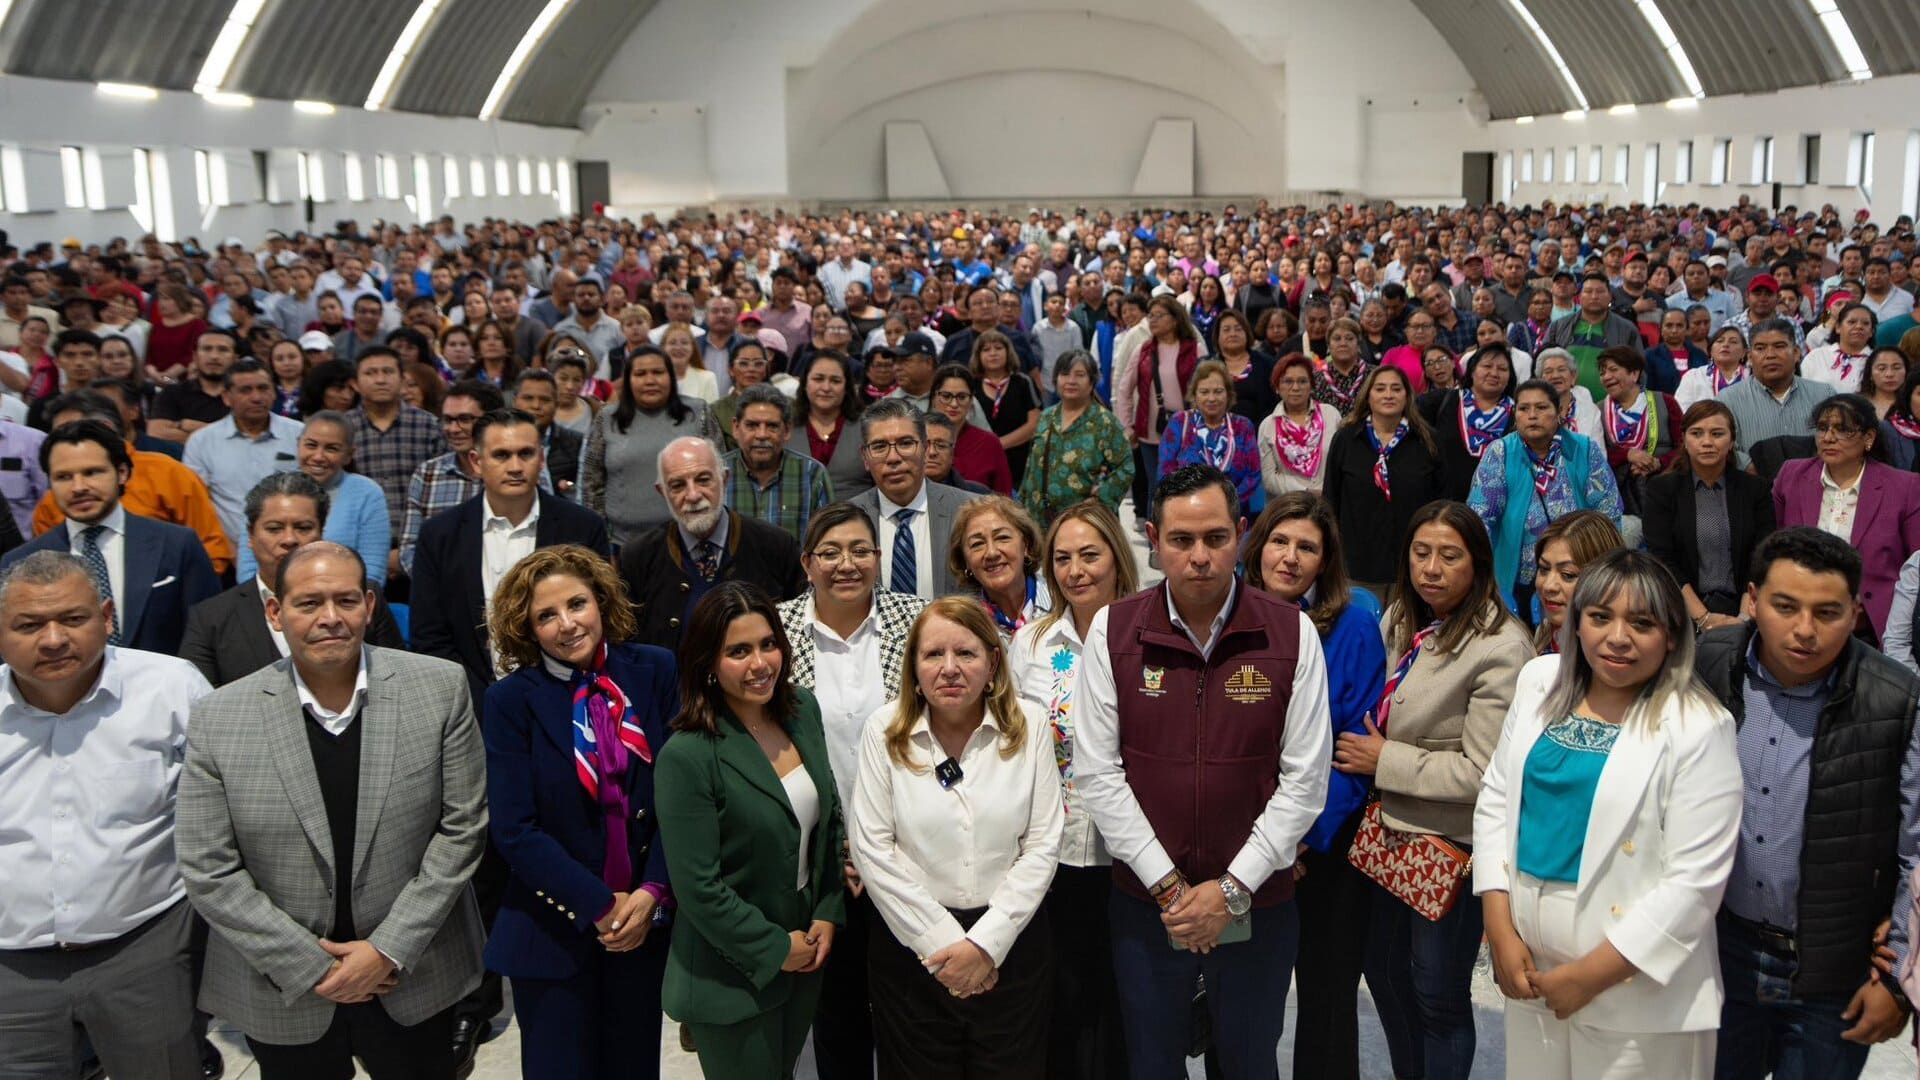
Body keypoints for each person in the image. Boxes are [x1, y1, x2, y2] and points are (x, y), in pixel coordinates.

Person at [177, 542, 488, 1080]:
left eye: (345, 600)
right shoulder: (219, 717)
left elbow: (462, 829)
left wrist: (387, 950)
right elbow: (208, 866)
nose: (329, 618)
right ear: (275, 612)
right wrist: (311, 965)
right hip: (283, 985)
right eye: (308, 603)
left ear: (370, 605)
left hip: (413, 973)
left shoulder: (439, 688)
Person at [1068, 464, 1329, 1080]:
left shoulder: (1291, 632)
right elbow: (1099, 773)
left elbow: (1305, 781)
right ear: (1154, 540)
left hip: (1258, 904)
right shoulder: (1115, 629)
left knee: (1248, 1062)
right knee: (1153, 1063)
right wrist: (1172, 890)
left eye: (1215, 538)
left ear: (1240, 534)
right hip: (1149, 905)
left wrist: (1230, 891)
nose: (1199, 557)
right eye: (1181, 541)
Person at [1474, 549, 1742, 1080]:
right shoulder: (1538, 683)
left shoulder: (1699, 726)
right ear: (1576, 625)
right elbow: (1497, 799)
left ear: (1671, 636)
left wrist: (1589, 976)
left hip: (1639, 988)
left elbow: (1694, 883)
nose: (1617, 638)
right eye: (1600, 618)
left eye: (1641, 624)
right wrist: (1499, 926)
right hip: (1531, 971)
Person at [1694, 528, 1920, 1080]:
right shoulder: (1707, 664)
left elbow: (1917, 845)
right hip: (1719, 954)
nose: (1804, 630)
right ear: (1752, 598)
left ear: (1855, 612)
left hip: (1836, 972)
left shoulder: (1897, 698)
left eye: (1828, 612)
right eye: (1785, 606)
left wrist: (1898, 977)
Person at [0, 550, 214, 1080]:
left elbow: (229, 815)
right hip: (9, 971)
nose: (53, 640)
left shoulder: (171, 688)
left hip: (145, 952)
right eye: (28, 625)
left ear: (108, 617)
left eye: (73, 619)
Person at [1344, 500, 1532, 1080]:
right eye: (1421, 553)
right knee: (1385, 975)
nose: (1431, 568)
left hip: (1448, 850)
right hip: (1388, 839)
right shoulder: (1405, 615)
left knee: (1438, 996)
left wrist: (1385, 760)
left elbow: (1484, 772)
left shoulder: (1501, 647)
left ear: (1477, 563)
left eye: (1449, 556)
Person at [480, 545, 677, 1080]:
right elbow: (515, 829)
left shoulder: (654, 670)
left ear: (602, 601)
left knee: (634, 1068)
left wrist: (653, 892)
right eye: (546, 615)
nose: (567, 624)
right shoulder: (509, 701)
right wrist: (598, 905)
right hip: (552, 930)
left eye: (576, 604)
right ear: (527, 628)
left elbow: (682, 801)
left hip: (643, 925)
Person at [849, 596, 1065, 1079]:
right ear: (914, 666)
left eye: (965, 654)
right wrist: (947, 947)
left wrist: (985, 945)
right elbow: (872, 850)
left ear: (993, 663)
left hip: (1012, 949)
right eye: (933, 655)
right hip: (911, 954)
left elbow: (1043, 843)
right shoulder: (883, 731)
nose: (949, 669)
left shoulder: (1029, 725)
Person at [655, 582, 846, 1079]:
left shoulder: (802, 710)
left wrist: (827, 910)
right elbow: (698, 887)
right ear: (707, 664)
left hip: (804, 953)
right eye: (738, 651)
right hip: (730, 975)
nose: (760, 663)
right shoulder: (687, 756)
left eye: (767, 644)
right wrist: (774, 948)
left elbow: (827, 824)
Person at [1238, 492, 1387, 1080]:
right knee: (1247, 1003)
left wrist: (1300, 837)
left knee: (1325, 1002)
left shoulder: (1352, 623)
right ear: (1258, 546)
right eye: (1280, 541)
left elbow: (1352, 747)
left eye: (1308, 547)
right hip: (1246, 848)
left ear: (1325, 562)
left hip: (1324, 846)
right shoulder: (1230, 616)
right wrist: (1263, 841)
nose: (1291, 557)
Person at [776, 502, 928, 1079]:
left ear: (880, 557)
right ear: (807, 563)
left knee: (909, 1010)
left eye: (861, 550)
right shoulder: (777, 630)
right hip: (819, 859)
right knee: (836, 1016)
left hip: (909, 850)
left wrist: (876, 845)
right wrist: (841, 847)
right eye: (831, 553)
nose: (848, 564)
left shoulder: (917, 621)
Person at [1002, 500, 1137, 1080]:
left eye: (1089, 555)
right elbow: (1011, 741)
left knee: (1123, 1002)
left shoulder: (1149, 634)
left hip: (1129, 853)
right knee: (1061, 1000)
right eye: (1062, 558)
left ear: (1116, 557)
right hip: (1051, 851)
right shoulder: (1032, 643)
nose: (1075, 570)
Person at [411, 408, 612, 712]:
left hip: (568, 699)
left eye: (526, 454)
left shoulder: (582, 527)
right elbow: (429, 636)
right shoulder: (439, 535)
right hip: (470, 705)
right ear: (476, 462)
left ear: (541, 458)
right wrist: (481, 702)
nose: (516, 466)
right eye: (502, 455)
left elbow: (602, 617)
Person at [3, 418, 218, 653]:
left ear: (122, 473)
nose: (78, 487)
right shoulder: (19, 562)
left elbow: (210, 635)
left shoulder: (177, 545)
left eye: (92, 472)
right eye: (64, 477)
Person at [180, 472, 401, 686]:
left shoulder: (360, 596)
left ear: (321, 532)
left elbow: (396, 678)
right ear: (250, 536)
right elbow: (204, 707)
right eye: (274, 529)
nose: (289, 539)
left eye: (303, 528)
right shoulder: (211, 618)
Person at [618, 436, 803, 651]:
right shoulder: (638, 557)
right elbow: (628, 645)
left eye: (704, 480)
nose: (693, 495)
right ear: (662, 492)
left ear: (724, 479)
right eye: (678, 486)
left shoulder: (775, 545)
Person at [29, 389, 234, 576]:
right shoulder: (52, 503)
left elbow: (212, 551)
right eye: (58, 434)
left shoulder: (169, 473)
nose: (79, 487)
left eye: (73, 432)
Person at [1771, 392, 1920, 641]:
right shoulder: (1792, 475)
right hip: (1798, 618)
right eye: (1822, 428)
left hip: (1872, 626)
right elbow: (1772, 545)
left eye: (1843, 430)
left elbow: (1916, 566)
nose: (1829, 438)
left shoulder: (1904, 487)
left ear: (1869, 438)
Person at [1469, 379, 1624, 614]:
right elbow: (1480, 518)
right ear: (1515, 414)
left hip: (1578, 575)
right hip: (1517, 577)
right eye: (1524, 408)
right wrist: (1482, 579)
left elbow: (1608, 512)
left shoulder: (1584, 449)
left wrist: (1604, 572)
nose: (1532, 415)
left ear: (1559, 412)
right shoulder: (1500, 452)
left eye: (1541, 408)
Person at [1643, 400, 1776, 626]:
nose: (1707, 442)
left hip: (1745, 609)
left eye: (1717, 434)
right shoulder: (1661, 490)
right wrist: (1703, 619)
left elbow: (1761, 556)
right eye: (1696, 433)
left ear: (1732, 440)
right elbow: (1662, 560)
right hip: (1682, 611)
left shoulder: (1756, 489)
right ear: (1684, 440)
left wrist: (1743, 619)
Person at [230, 410, 391, 587]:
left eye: (331, 449)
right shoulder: (270, 489)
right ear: (298, 445)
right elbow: (247, 568)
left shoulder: (367, 493)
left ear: (349, 455)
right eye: (311, 445)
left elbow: (372, 574)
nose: (318, 456)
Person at [1322, 365, 1442, 598]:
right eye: (1380, 388)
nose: (1388, 395)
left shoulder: (1427, 440)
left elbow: (1440, 501)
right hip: (1356, 565)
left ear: (1407, 395)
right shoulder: (1346, 439)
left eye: (1396, 389)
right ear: (1368, 395)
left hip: (1413, 565)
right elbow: (1330, 499)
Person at [583, 344, 722, 546]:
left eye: (658, 372)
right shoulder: (606, 418)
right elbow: (591, 483)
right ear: (628, 380)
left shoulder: (698, 412)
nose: (650, 380)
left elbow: (720, 472)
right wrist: (600, 537)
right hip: (622, 543)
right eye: (640, 374)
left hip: (691, 541)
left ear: (671, 377)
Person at [849, 398, 982, 599]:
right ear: (865, 457)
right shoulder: (846, 520)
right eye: (879, 446)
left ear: (926, 450)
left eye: (905, 443)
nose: (893, 457)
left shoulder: (972, 511)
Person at [180, 357, 306, 550]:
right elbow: (198, 508)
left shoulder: (300, 434)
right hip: (229, 553)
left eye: (263, 388)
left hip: (294, 548)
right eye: (245, 390)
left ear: (274, 393)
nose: (256, 397)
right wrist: (229, 552)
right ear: (226, 397)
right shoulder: (201, 442)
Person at [342, 348, 447, 563]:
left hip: (421, 548)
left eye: (388, 372)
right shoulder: (342, 429)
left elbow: (440, 491)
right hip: (355, 548)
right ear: (355, 383)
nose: (380, 380)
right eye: (370, 373)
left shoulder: (429, 425)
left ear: (401, 379)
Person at [1113, 296, 1204, 519]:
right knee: (1158, 488)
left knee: (1189, 485)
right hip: (1151, 434)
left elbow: (1208, 385)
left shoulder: (1195, 349)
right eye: (1150, 316)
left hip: (1189, 432)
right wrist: (1127, 426)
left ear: (1174, 319)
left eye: (1159, 316)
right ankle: (1158, 543)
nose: (1152, 320)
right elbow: (1124, 389)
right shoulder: (1143, 350)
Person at [399, 381, 504, 576]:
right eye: (447, 420)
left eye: (465, 419)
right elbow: (409, 548)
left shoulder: (517, 469)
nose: (453, 429)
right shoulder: (427, 475)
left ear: (492, 420)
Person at [1020, 349, 1132, 528]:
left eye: (1080, 375)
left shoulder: (1105, 422)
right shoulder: (1046, 417)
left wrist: (1099, 500)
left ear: (1091, 382)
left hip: (1086, 523)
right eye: (1064, 374)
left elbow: (1124, 468)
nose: (1071, 381)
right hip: (1040, 521)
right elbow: (1031, 466)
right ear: (1056, 379)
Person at [1716, 318, 1834, 468]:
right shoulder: (1727, 399)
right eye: (1760, 348)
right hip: (1753, 485)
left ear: (1797, 353)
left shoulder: (1825, 394)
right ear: (1750, 358)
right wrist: (1749, 468)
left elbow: (1838, 438)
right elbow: (1723, 444)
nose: (1770, 355)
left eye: (1779, 346)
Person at [722, 382, 834, 541]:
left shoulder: (812, 474)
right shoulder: (715, 474)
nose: (761, 435)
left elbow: (829, 540)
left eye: (772, 426)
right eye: (752, 425)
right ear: (735, 427)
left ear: (787, 430)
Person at [1596, 346, 1685, 536]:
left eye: (1613, 369)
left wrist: (1658, 462)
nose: (1605, 376)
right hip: (1619, 495)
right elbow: (1595, 454)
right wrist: (1628, 455)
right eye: (1602, 372)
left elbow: (1684, 445)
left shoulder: (1666, 402)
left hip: (1664, 489)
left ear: (1634, 374)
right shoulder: (1598, 410)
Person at [1158, 360, 1261, 516]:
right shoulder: (1180, 422)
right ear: (1194, 395)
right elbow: (1165, 472)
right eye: (1204, 392)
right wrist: (1193, 504)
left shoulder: (1243, 426)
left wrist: (1226, 505)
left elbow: (1253, 475)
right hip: (1187, 512)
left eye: (1218, 391)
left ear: (1228, 394)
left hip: (1233, 513)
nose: (1211, 398)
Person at [1419, 342, 1517, 501]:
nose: (1494, 373)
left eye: (1502, 369)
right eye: (1487, 366)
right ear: (1471, 371)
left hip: (1499, 508)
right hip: (1446, 507)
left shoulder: (1519, 413)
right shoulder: (1443, 400)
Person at [947, 495, 1048, 639]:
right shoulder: (962, 624)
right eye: (977, 544)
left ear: (1026, 545)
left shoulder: (1061, 601)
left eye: (1002, 538)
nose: (991, 553)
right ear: (965, 561)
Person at [1528, 510, 1625, 654]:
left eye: (1567, 575)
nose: (1549, 586)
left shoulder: (1615, 655)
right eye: (1543, 569)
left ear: (1604, 579)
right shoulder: (1545, 632)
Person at [1543, 275, 1645, 401]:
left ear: (1610, 296)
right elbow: (1542, 363)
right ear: (1579, 297)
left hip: (1611, 406)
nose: (1594, 296)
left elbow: (1640, 370)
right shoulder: (1558, 326)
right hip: (1564, 404)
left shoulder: (1627, 329)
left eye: (1600, 291)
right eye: (1588, 291)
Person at [789, 350, 870, 500]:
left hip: (857, 517)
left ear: (847, 387)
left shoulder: (868, 426)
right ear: (805, 383)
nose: (826, 388)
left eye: (835, 381)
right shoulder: (785, 427)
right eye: (818, 379)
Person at [509, 369, 583, 501]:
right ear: (514, 402)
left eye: (544, 400)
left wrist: (570, 488)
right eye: (528, 398)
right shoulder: (498, 442)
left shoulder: (577, 443)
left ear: (556, 404)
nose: (536, 406)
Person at [1801, 302, 1877, 393]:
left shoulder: (1877, 361)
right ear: (1838, 327)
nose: (1859, 326)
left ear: (1871, 332)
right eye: (1851, 322)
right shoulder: (1816, 356)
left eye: (1865, 323)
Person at [1674, 325, 1750, 411]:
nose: (1725, 345)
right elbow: (1680, 411)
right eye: (1720, 341)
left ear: (1744, 352)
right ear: (1710, 351)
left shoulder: (1753, 377)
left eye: (1733, 342)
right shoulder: (1693, 377)